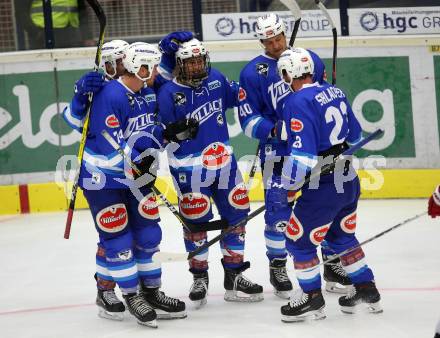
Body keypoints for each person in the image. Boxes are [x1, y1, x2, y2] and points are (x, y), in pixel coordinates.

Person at [65, 42, 198, 327]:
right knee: (118, 240)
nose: (157, 75)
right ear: (141, 67)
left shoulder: (147, 94)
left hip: (136, 179)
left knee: (148, 235)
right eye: (153, 68)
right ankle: (127, 294)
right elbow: (111, 147)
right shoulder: (108, 95)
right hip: (105, 180)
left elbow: (145, 136)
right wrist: (139, 165)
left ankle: (150, 292)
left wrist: (169, 135)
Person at [238, 13, 350, 298]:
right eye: (268, 40)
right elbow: (248, 120)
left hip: (316, 150)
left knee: (322, 208)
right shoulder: (252, 73)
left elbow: (323, 96)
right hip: (278, 153)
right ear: (261, 41)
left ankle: (331, 262)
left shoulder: (309, 58)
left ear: (284, 34)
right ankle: (277, 265)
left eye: (278, 38)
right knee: (278, 212)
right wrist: (276, 129)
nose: (275, 45)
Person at [276, 47, 382, 322]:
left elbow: (302, 155)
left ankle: (311, 298)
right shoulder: (335, 92)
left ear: (289, 73)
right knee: (340, 237)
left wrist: (288, 187)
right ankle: (366, 288)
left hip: (323, 185)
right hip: (347, 179)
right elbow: (356, 134)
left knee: (298, 241)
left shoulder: (296, 102)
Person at [157, 38, 263, 308]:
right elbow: (160, 136)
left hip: (224, 163)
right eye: (190, 62)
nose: (197, 66)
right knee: (196, 225)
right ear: (179, 64)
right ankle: (200, 276)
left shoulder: (215, 78)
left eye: (199, 60)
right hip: (188, 169)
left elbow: (240, 97)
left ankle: (234, 274)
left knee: (237, 216)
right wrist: (171, 133)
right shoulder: (167, 93)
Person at [19, 0, 94, 49]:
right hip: (44, 34)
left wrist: (87, 36)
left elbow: (82, 10)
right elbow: (21, 12)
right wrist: (36, 33)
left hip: (72, 33)